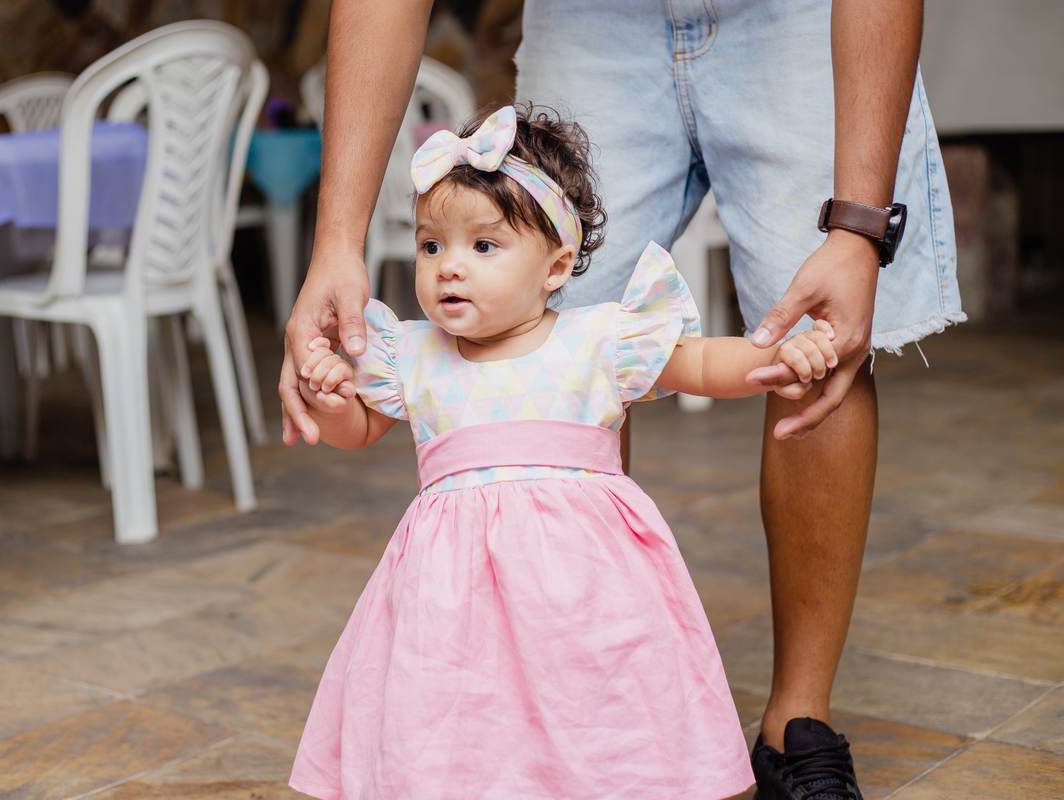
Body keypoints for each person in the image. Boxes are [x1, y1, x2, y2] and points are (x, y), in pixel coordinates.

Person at [280, 1, 964, 797]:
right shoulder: (414, 352)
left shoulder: (604, 341)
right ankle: (538, 734)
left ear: (557, 261)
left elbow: (699, 363)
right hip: (589, 16)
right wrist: (335, 255)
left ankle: (791, 724)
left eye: (480, 245)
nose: (448, 268)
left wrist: (806, 314)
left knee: (822, 339)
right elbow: (361, 424)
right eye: (432, 246)